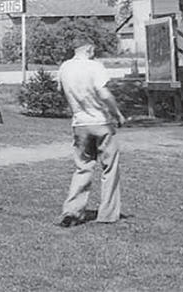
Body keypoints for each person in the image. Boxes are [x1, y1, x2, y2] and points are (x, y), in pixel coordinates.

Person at [57, 36, 127, 227]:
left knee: (83, 167)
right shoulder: (95, 67)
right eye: (93, 50)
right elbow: (103, 93)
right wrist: (117, 113)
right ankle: (108, 213)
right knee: (110, 168)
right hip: (100, 122)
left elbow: (62, 92)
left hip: (79, 123)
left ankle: (72, 211)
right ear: (88, 49)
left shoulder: (65, 68)